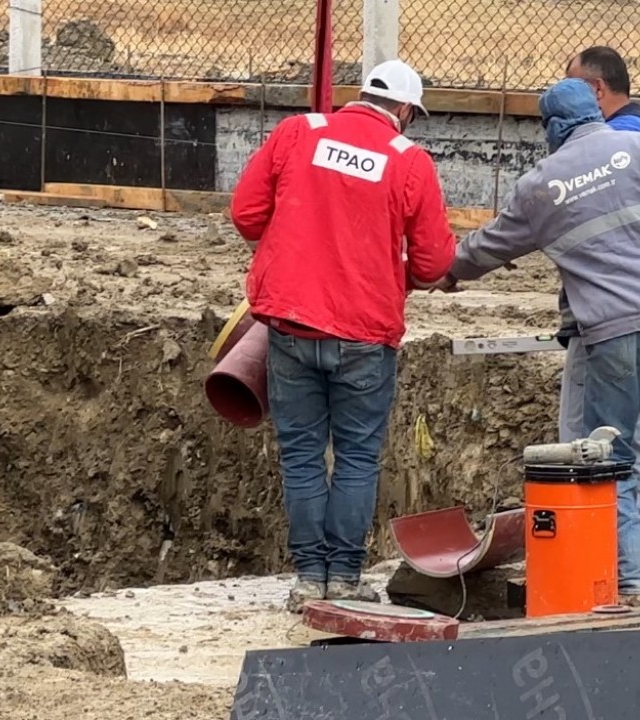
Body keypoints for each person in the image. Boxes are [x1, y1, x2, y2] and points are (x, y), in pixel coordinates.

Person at [435, 78, 640, 604]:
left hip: (610, 335)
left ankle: (630, 586)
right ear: (596, 110)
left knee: (616, 462)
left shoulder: (539, 186)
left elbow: (486, 248)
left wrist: (446, 271)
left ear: (552, 129)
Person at [229, 60, 457, 611]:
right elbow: (432, 263)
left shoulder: (299, 133)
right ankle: (346, 578)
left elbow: (245, 214)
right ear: (404, 111)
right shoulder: (409, 160)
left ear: (363, 96)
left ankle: (311, 578)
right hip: (364, 333)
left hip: (291, 323)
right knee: (356, 456)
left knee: (303, 454)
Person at [558, 45, 640, 572]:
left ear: (597, 91)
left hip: (604, 325)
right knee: (630, 441)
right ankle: (639, 549)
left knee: (585, 445)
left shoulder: (604, 151)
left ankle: (597, 559)